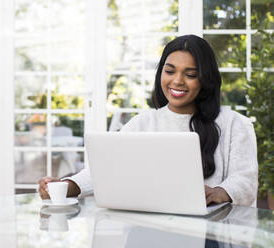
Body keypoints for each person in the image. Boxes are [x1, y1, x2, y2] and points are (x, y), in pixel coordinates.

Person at [38, 35, 258, 207]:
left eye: (190, 74)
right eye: (169, 71)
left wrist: (219, 192)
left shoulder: (233, 124)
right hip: (148, 230)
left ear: (205, 79)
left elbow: (245, 179)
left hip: (213, 233)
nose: (177, 81)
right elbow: (104, 171)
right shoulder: (142, 123)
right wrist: (67, 186)